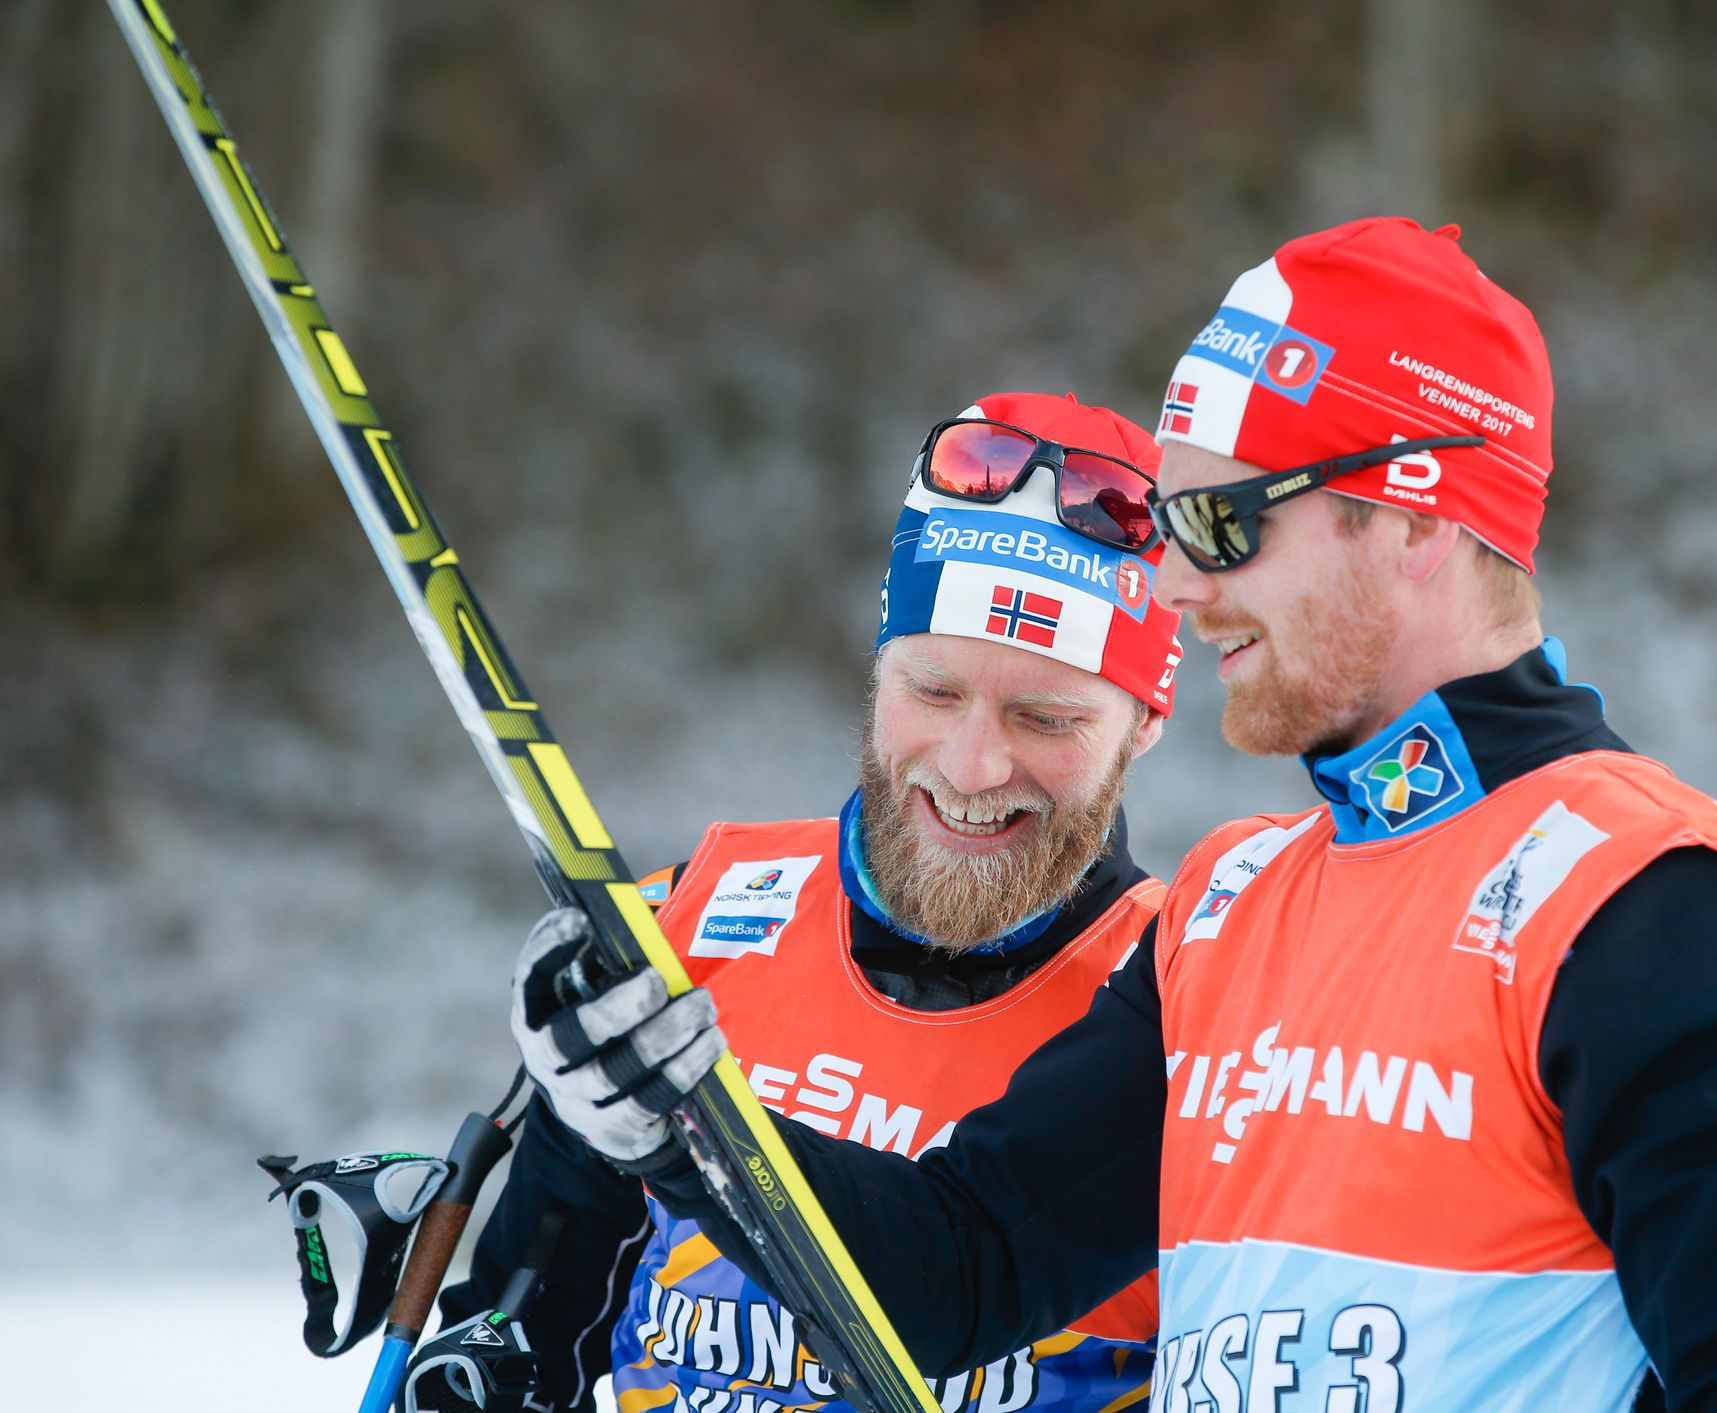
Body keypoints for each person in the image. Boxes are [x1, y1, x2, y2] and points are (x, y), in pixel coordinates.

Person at [515, 220, 1717, 1411]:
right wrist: (668, 1118)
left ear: (1416, 515)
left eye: (1227, 522)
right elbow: (954, 1271)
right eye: (1173, 525)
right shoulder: (1233, 909)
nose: (1177, 586)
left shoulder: (1652, 906)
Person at [452, 391, 1185, 1412]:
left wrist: (685, 1130)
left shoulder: (1191, 996)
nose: (973, 766)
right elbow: (519, 1336)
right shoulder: (691, 919)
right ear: (876, 672)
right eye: (931, 692)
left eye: (1045, 716)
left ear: (1142, 724)